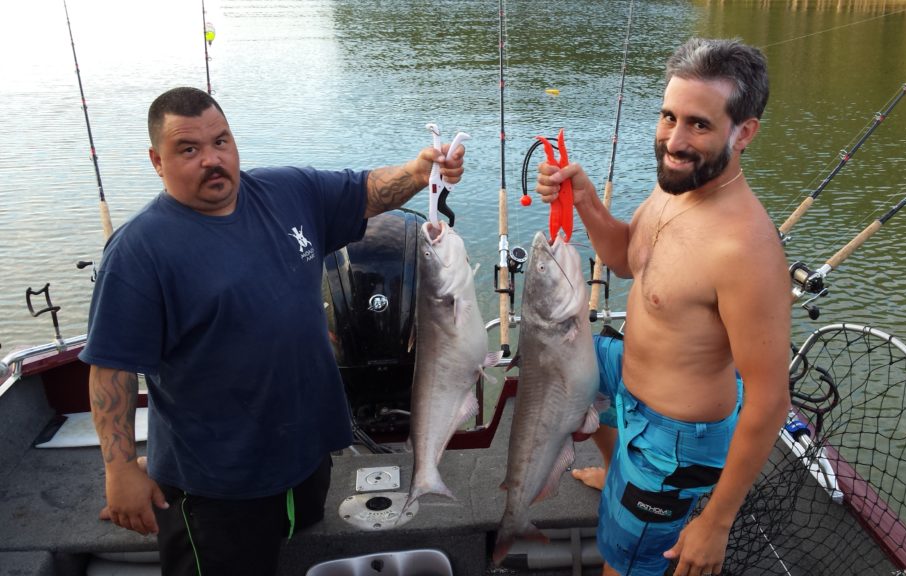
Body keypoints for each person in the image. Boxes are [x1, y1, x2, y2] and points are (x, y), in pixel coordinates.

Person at [79, 86, 464, 576]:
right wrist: (118, 469)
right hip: (215, 484)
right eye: (188, 149)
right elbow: (110, 367)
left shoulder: (287, 193)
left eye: (221, 141)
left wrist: (419, 171)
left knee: (301, 552)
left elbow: (366, 191)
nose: (212, 160)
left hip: (305, 457)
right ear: (157, 161)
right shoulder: (138, 252)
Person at [536, 38, 791, 576]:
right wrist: (585, 199)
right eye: (668, 116)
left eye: (699, 124)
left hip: (673, 442)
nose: (673, 141)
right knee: (566, 363)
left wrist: (717, 522)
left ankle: (638, 488)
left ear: (743, 132)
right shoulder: (678, 186)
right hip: (629, 378)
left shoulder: (744, 250)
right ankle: (616, 468)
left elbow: (769, 400)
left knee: (621, 566)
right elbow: (628, 260)